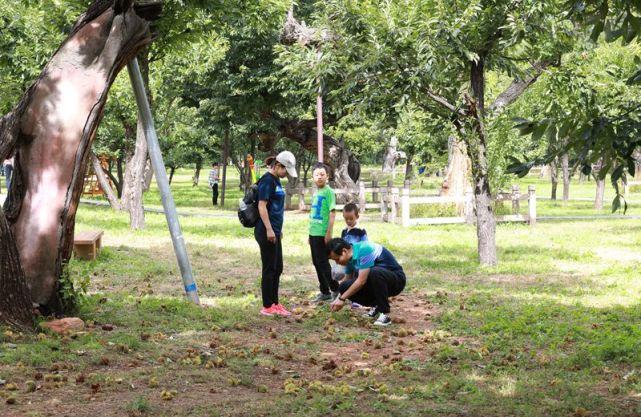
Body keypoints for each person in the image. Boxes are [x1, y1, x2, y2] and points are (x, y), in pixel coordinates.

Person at [255, 151, 297, 317]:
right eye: (285, 169)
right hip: (266, 231)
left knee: (278, 267)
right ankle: (267, 305)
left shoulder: (276, 180)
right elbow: (261, 206)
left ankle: (275, 302)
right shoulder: (267, 181)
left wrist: (278, 230)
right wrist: (269, 229)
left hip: (275, 231)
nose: (286, 173)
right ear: (278, 166)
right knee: (269, 268)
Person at [327, 238, 406, 326]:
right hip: (377, 282)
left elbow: (361, 281)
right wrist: (338, 298)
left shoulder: (364, 249)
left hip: (396, 281)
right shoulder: (350, 257)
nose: (337, 263)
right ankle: (376, 306)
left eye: (337, 259)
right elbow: (347, 279)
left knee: (374, 272)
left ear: (344, 251)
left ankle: (384, 314)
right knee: (343, 287)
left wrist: (342, 299)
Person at [308, 162, 338, 303]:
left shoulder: (329, 192)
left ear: (327, 176)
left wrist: (329, 233)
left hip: (322, 233)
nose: (319, 177)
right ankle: (324, 291)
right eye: (316, 175)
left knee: (323, 262)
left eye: (322, 175)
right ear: (312, 177)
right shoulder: (316, 193)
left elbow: (332, 213)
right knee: (316, 262)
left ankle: (335, 289)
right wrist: (309, 234)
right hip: (313, 233)